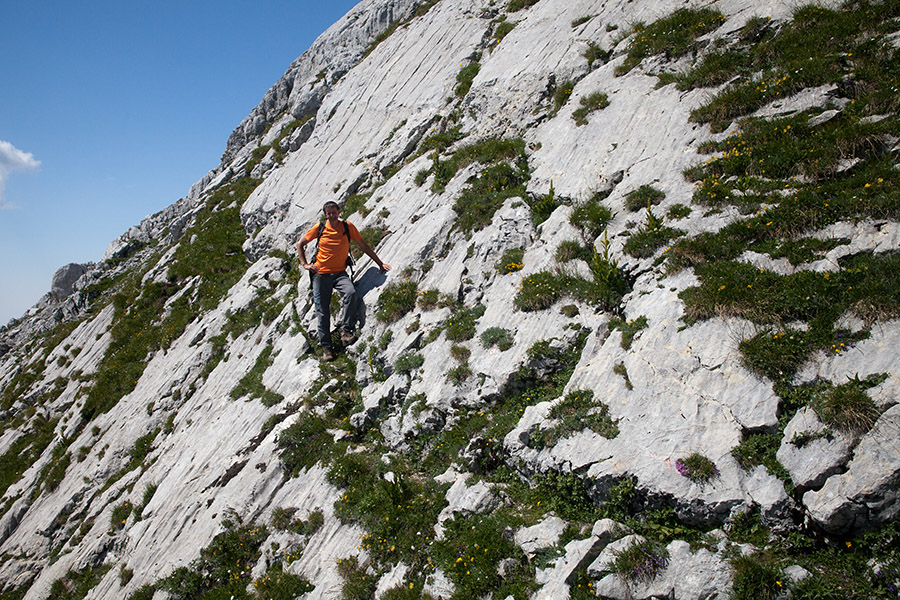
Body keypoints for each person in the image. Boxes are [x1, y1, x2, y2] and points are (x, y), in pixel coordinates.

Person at [297, 201, 391, 360]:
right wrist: (305, 264)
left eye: (334, 212)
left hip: (340, 273)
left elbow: (363, 246)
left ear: (339, 212)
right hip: (321, 274)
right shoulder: (320, 227)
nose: (331, 215)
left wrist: (380, 263)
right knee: (323, 312)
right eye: (328, 213)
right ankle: (327, 349)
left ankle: (346, 331)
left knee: (350, 293)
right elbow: (300, 244)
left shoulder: (347, 227)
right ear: (325, 214)